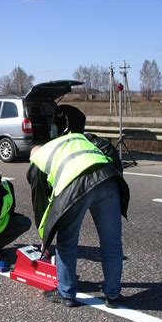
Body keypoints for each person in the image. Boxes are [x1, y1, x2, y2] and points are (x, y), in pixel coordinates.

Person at [27, 105, 130, 308]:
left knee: (67, 242)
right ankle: (113, 294)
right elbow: (111, 154)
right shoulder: (81, 138)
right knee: (111, 243)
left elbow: (41, 199)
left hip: (76, 186)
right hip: (108, 179)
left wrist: (44, 235)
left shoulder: (39, 157)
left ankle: (67, 294)